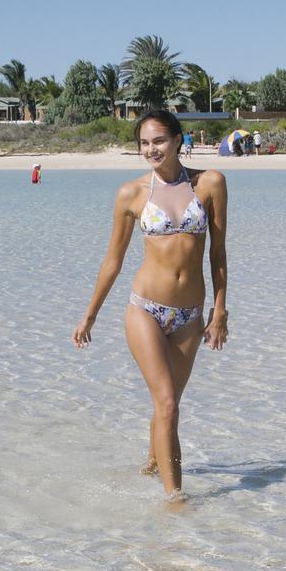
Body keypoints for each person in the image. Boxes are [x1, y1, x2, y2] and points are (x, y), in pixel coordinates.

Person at [72, 109, 228, 502]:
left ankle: (152, 464)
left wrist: (220, 311)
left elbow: (218, 254)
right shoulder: (132, 193)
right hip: (146, 309)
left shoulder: (210, 184)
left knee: (167, 402)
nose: (151, 149)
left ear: (178, 139)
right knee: (168, 404)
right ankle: (175, 500)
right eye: (143, 143)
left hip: (190, 316)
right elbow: (113, 260)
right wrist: (90, 314)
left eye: (158, 140)